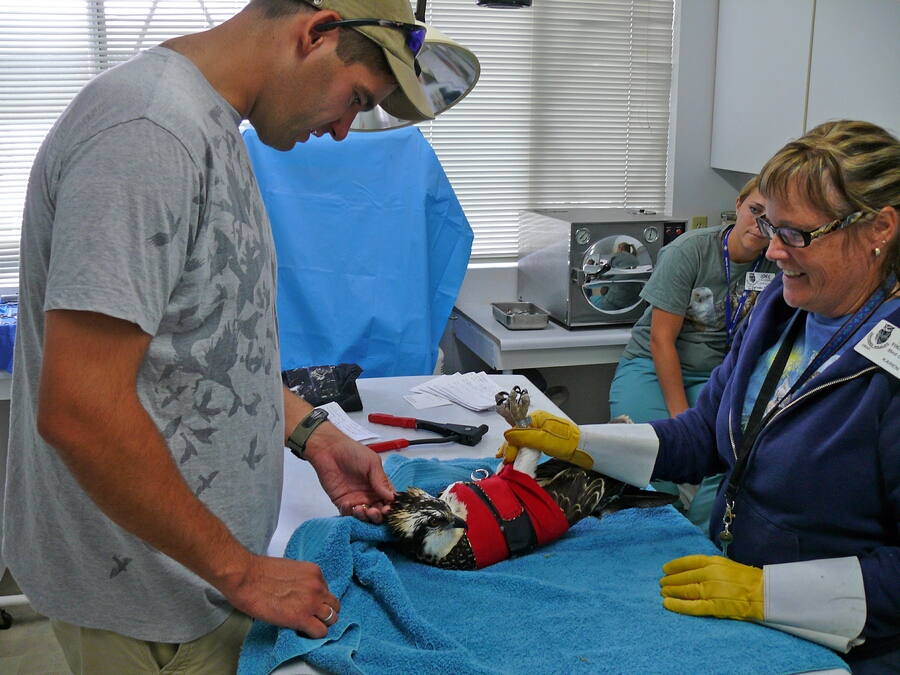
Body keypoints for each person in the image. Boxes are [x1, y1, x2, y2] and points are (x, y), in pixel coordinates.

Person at [0, 0, 442, 672]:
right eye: (355, 98)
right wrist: (243, 572)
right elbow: (80, 409)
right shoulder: (148, 132)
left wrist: (313, 434)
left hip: (197, 578)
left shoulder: (211, 125)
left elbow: (207, 349)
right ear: (317, 32)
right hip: (145, 599)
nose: (343, 130)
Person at [500, 120, 900, 673]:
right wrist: (583, 443)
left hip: (841, 647)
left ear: (880, 227)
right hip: (743, 614)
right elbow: (706, 434)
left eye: (796, 234)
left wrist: (764, 592)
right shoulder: (781, 311)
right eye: (769, 225)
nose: (773, 251)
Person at [607, 176, 778, 530]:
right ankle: (653, 537)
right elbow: (660, 341)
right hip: (651, 366)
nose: (760, 225)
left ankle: (699, 537)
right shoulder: (690, 251)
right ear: (737, 206)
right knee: (649, 454)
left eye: (772, 219)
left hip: (718, 375)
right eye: (755, 210)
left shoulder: (777, 263)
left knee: (732, 455)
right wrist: (684, 423)